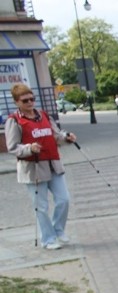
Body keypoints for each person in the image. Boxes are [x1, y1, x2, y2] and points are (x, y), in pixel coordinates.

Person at [4, 83, 77, 250]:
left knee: (64, 199)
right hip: (33, 168)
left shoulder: (43, 115)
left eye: (32, 99)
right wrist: (29, 148)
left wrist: (67, 137)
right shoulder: (14, 121)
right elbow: (12, 147)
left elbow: (56, 135)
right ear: (17, 102)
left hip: (53, 164)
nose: (30, 103)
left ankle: (58, 230)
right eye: (25, 101)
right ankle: (48, 239)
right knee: (41, 206)